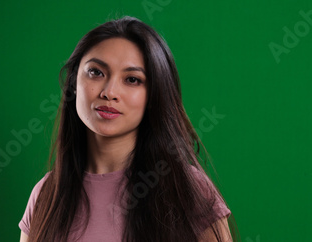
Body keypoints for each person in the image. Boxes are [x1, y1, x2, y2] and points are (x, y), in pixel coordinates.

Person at [18, 16, 237, 242]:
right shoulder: (46, 195)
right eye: (96, 72)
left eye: (132, 79)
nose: (109, 92)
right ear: (74, 81)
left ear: (154, 94)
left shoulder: (188, 190)